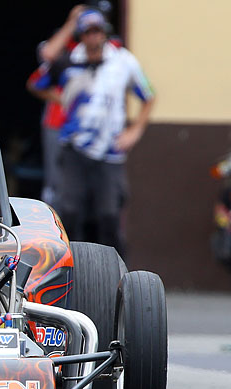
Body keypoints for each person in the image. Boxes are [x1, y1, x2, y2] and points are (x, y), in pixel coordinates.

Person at [28, 8, 155, 259]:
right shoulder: (68, 61)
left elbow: (148, 95)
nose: (93, 37)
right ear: (81, 35)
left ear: (105, 33)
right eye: (88, 32)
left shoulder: (123, 61)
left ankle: (117, 268)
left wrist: (135, 130)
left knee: (109, 214)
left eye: (97, 31)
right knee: (69, 211)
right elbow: (36, 84)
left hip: (110, 151)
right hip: (74, 148)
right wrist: (60, 99)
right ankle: (68, 265)